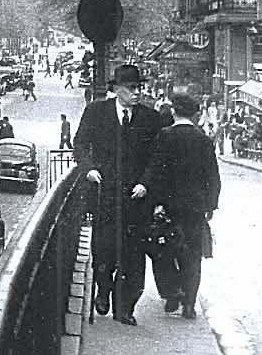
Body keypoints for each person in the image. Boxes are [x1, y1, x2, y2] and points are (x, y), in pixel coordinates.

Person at [73, 64, 166, 326]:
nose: (137, 93)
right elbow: (80, 144)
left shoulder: (151, 118)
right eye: (132, 89)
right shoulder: (96, 112)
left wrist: (146, 183)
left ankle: (124, 308)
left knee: (133, 256)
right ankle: (103, 289)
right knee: (104, 249)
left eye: (139, 88)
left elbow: (159, 158)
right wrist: (88, 168)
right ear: (117, 90)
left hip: (137, 198)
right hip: (106, 195)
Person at [141, 92, 221, 319]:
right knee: (193, 255)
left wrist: (155, 203)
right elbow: (212, 175)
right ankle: (189, 304)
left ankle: (171, 291)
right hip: (195, 208)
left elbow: (156, 171)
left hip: (168, 206)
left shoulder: (165, 136)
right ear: (195, 114)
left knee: (162, 248)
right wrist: (211, 205)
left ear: (174, 111)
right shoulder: (203, 139)